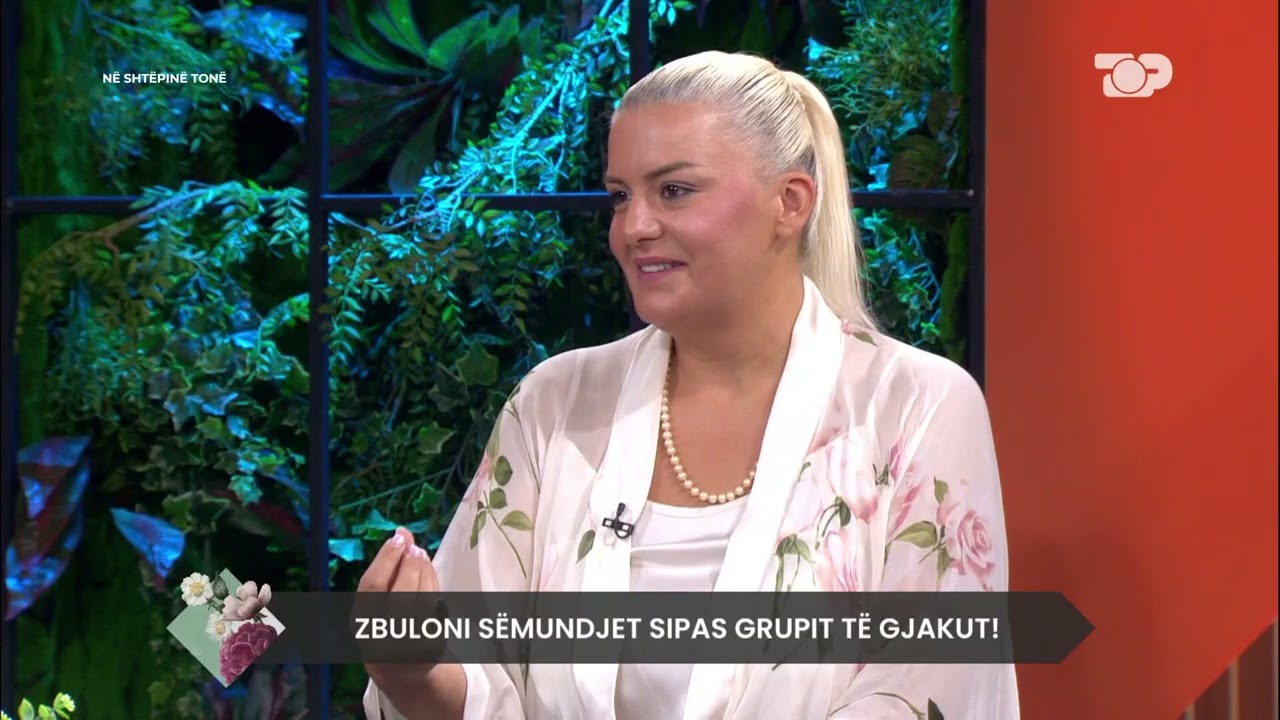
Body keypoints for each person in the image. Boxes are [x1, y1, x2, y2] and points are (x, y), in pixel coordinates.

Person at [360, 50, 1020, 719]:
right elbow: (477, 679)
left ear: (790, 203)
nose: (633, 228)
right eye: (621, 196)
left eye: (673, 191)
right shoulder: (554, 405)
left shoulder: (916, 406)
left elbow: (929, 694)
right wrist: (412, 671)